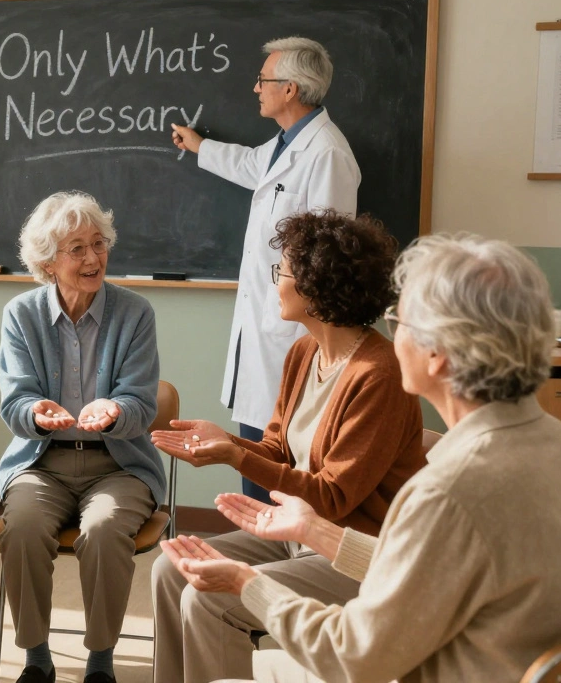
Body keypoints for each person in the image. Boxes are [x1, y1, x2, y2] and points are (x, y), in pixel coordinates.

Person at [162, 234, 561, 683]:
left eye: (400, 319)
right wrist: (312, 529)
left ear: (437, 354)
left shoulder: (448, 491)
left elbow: (356, 655)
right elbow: (423, 569)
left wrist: (248, 584)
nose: (390, 333)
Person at [148, 210, 425, 683]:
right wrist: (226, 441)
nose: (276, 282)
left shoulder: (379, 375)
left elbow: (334, 498)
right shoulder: (303, 352)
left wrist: (235, 456)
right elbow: (277, 448)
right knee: (171, 571)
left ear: (317, 289)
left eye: (284, 272)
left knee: (212, 599)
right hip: (296, 540)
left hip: (353, 552)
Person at [171, 37, 360, 505]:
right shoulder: (284, 145)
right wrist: (200, 147)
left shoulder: (327, 154)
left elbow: (328, 257)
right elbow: (250, 165)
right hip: (266, 336)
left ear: (291, 89)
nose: (256, 87)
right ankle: (256, 558)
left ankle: (278, 565)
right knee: (257, 452)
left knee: (284, 469)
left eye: (264, 79)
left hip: (294, 337)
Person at [0, 191, 163, 683]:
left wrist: (115, 411)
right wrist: (34, 412)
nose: (93, 258)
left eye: (99, 244)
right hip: (41, 462)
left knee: (106, 529)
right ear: (48, 263)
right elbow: (14, 401)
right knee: (22, 526)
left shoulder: (135, 313)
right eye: (77, 249)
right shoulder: (20, 315)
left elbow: (142, 403)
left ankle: (100, 660)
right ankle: (36, 658)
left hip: (119, 466)